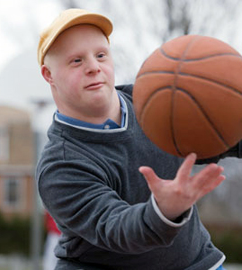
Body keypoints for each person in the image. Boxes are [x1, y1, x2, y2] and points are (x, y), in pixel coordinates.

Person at [36, 8, 241, 270]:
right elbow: (115, 227)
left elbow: (210, 135)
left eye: (100, 55)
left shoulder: (153, 101)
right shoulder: (59, 165)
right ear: (48, 75)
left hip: (196, 262)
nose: (94, 67)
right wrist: (162, 211)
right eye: (76, 61)